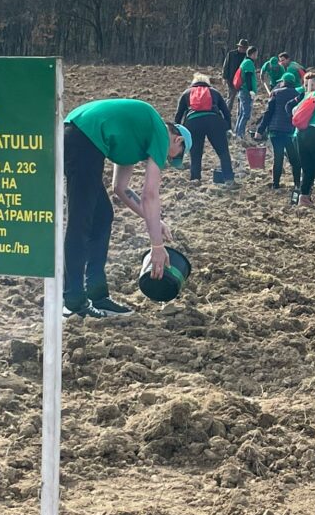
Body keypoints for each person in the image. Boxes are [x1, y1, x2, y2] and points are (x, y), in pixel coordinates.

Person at [62, 99, 191, 318]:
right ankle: (73, 302)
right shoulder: (160, 132)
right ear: (177, 139)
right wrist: (157, 247)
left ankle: (97, 295)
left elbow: (120, 189)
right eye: (175, 155)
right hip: (83, 137)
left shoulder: (139, 136)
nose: (169, 159)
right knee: (81, 221)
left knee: (102, 216)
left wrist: (155, 222)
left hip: (79, 134)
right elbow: (150, 194)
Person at [174, 73, 234, 185]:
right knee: (223, 152)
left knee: (195, 153)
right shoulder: (214, 92)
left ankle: (195, 179)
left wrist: (176, 132)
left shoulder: (186, 93)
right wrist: (227, 127)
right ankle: (229, 179)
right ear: (207, 83)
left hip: (193, 122)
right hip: (214, 121)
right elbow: (226, 112)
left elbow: (178, 115)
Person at [255, 72, 301, 189]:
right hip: (291, 131)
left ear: (283, 82)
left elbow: (268, 113)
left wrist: (260, 130)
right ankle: (297, 184)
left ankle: (276, 184)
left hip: (275, 131)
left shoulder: (275, 93)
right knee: (294, 159)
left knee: (278, 157)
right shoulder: (298, 95)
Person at [233, 45, 259, 140]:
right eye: (256, 54)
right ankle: (240, 134)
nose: (257, 56)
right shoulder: (248, 63)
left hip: (242, 91)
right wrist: (251, 90)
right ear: (252, 54)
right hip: (245, 91)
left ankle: (237, 132)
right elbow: (248, 77)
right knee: (246, 113)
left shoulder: (245, 61)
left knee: (242, 113)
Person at [223, 38, 249, 114]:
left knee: (241, 100)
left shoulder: (247, 57)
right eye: (241, 47)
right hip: (231, 80)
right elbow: (226, 66)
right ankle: (227, 114)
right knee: (230, 99)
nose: (242, 49)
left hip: (242, 82)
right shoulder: (231, 54)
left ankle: (239, 115)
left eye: (244, 48)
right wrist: (224, 77)